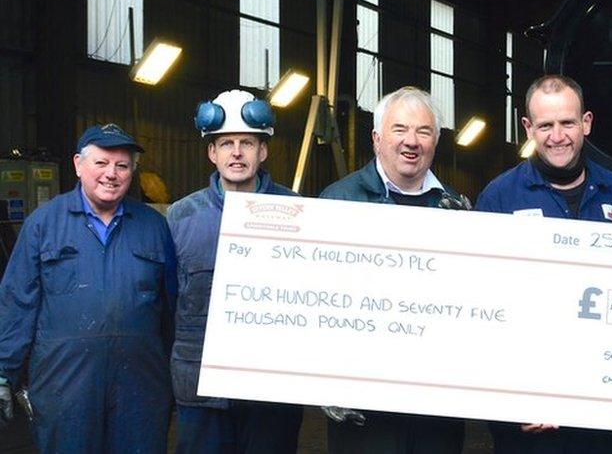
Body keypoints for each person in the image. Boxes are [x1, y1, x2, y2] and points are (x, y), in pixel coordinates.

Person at [475, 74, 612, 454]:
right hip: (528, 412)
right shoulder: (499, 197)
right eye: (545, 125)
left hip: (600, 403)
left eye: (567, 122)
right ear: (528, 128)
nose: (557, 135)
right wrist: (515, 395)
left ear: (587, 123)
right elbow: (479, 304)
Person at [0, 123, 177, 453]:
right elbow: (16, 303)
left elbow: (172, 309)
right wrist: (3, 371)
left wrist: (178, 373)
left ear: (131, 172)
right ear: (79, 165)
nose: (112, 174)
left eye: (122, 166)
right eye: (101, 163)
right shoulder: (44, 223)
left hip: (140, 389)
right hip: (65, 389)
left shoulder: (154, 226)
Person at [318, 86, 468, 454]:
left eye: (423, 131)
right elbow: (315, 299)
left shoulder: (459, 210)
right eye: (399, 129)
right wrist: (322, 380)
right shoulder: (337, 202)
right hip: (364, 411)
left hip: (435, 411)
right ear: (376, 138)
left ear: (436, 141)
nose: (411, 142)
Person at [167, 89, 303, 453]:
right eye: (226, 143)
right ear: (212, 152)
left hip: (272, 387)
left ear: (264, 150)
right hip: (201, 389)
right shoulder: (180, 216)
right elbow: (166, 303)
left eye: (247, 142)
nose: (237, 152)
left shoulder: (299, 214)